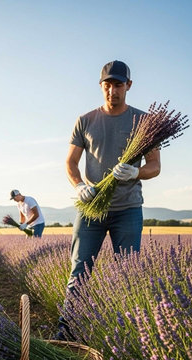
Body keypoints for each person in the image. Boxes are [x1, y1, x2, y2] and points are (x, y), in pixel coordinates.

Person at [59, 60, 161, 339]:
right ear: (101, 86)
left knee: (127, 276)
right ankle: (66, 332)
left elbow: (155, 166)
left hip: (128, 209)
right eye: (107, 85)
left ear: (128, 86)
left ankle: (123, 335)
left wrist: (135, 172)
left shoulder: (144, 123)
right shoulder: (86, 120)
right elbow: (70, 163)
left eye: (118, 85)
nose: (112, 91)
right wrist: (79, 185)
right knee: (79, 271)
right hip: (91, 207)